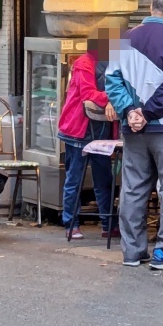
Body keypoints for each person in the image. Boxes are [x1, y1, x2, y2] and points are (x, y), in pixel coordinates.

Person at [106, 0, 163, 270]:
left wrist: (131, 112)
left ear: (151, 8)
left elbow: (112, 81)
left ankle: (132, 251)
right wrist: (148, 112)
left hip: (134, 129)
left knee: (133, 188)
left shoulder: (123, 39)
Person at [57, 28, 119, 240]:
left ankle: (108, 225)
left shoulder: (113, 65)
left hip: (101, 130)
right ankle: (71, 224)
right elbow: (87, 94)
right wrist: (111, 98)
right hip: (78, 129)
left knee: (104, 179)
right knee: (75, 177)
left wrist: (112, 98)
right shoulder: (84, 63)